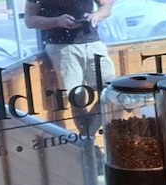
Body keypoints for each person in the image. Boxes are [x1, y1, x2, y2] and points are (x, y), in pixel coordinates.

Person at [24, 0, 117, 138]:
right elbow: (30, 20)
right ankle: (87, 141)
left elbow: (106, 7)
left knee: (110, 91)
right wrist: (57, 21)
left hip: (93, 43)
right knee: (77, 97)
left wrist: (96, 15)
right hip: (62, 46)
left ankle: (86, 138)